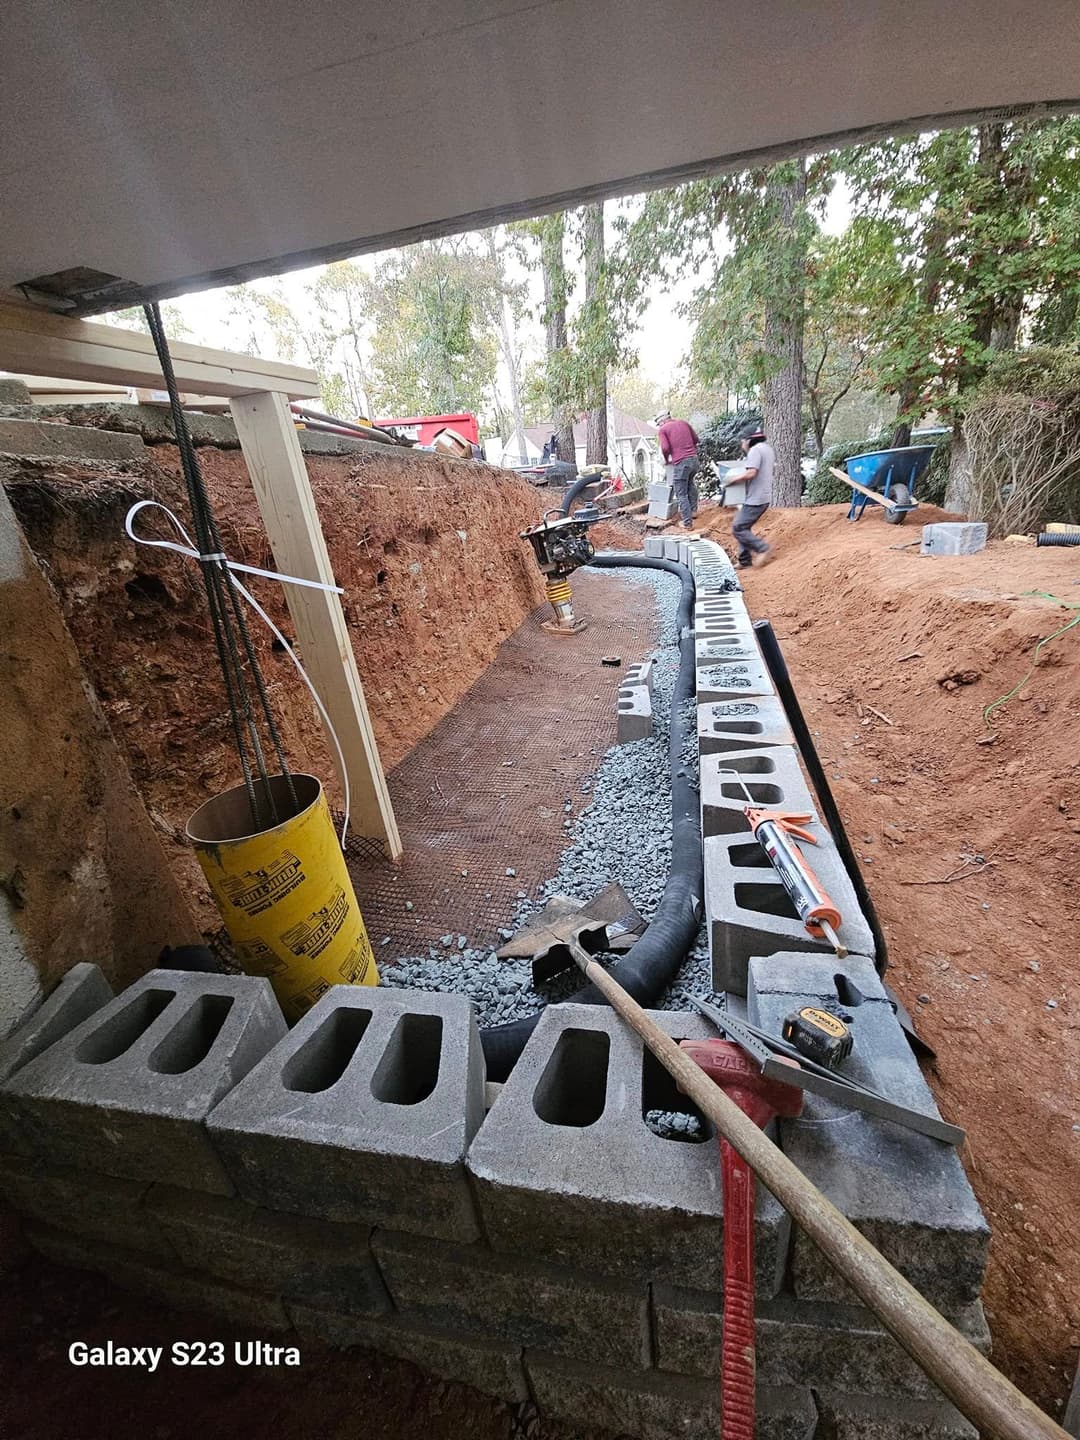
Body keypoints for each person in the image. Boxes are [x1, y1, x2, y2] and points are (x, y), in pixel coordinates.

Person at [725, 422, 775, 567]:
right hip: (764, 496)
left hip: (756, 499)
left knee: (738, 528)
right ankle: (744, 561)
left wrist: (731, 480)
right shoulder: (767, 449)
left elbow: (751, 473)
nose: (742, 444)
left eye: (742, 441)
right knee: (743, 527)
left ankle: (762, 548)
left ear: (748, 440)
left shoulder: (755, 451)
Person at [655, 410, 700, 528]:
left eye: (659, 423)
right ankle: (693, 511)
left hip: (681, 462)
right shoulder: (684, 423)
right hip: (694, 460)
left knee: (681, 493)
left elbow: (665, 448)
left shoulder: (663, 429)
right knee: (690, 483)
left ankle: (687, 523)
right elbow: (696, 440)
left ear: (663, 421)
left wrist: (667, 459)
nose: (659, 426)